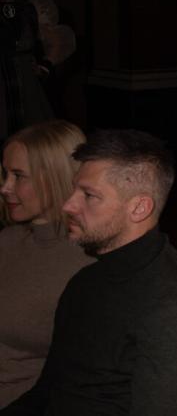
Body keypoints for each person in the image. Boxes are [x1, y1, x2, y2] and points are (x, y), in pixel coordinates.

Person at [2, 129, 177, 415]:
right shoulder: (86, 281)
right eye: (74, 190)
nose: (68, 205)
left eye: (89, 195)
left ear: (139, 208)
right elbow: (47, 391)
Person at [0, 121, 92, 407]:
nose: (5, 187)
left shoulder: (87, 262)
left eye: (18, 176)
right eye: (5, 174)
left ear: (56, 177)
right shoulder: (8, 240)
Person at [0, 0, 51, 140]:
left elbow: (37, 44)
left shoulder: (26, 9)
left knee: (32, 137)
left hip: (26, 81)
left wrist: (42, 67)